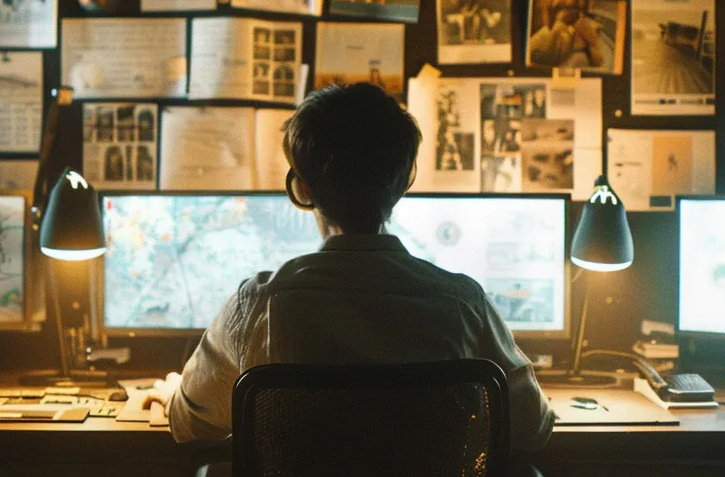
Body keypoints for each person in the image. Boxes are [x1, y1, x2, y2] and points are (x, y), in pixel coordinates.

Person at [145, 82, 554, 460]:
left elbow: (191, 426)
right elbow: (531, 429)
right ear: (404, 180)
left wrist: (172, 396)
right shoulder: (463, 303)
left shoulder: (258, 306)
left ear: (302, 189)